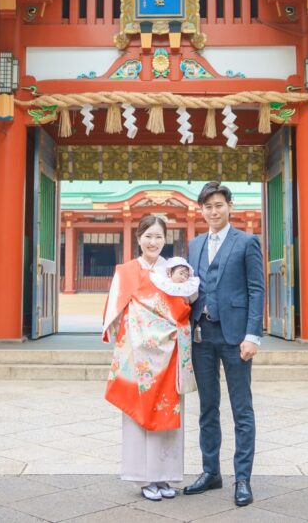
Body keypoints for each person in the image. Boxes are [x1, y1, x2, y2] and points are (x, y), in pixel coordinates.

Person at [102, 215, 198, 502]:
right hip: (139, 356)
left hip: (168, 353)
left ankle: (164, 475)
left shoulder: (174, 271)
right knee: (138, 415)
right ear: (138, 238)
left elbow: (187, 302)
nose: (153, 242)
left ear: (165, 239)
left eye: (158, 237)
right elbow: (115, 314)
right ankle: (143, 477)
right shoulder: (126, 271)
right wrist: (134, 332)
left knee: (168, 410)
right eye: (148, 236)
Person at [183, 181, 264, 507]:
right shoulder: (194, 245)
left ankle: (242, 478)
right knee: (207, 407)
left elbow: (256, 289)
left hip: (235, 337)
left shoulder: (246, 242)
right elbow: (190, 287)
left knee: (241, 408)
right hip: (201, 335)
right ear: (201, 211)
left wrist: (252, 335)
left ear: (230, 206)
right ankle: (210, 472)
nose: (213, 211)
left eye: (219, 205)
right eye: (208, 207)